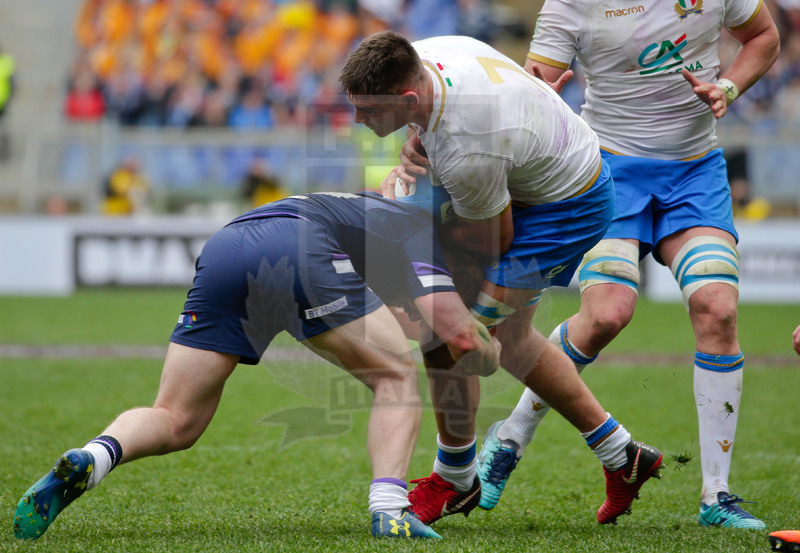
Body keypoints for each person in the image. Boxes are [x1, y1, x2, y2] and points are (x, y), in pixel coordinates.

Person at [13, 190, 501, 541]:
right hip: (299, 246)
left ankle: (93, 457)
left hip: (228, 245)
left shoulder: (372, 211)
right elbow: (457, 335)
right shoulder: (421, 230)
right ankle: (390, 509)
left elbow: (396, 314)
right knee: (395, 379)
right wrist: (493, 344)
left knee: (177, 418)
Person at [476, 0, 780, 530]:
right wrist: (538, 101)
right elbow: (534, 87)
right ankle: (510, 436)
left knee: (718, 310)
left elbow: (763, 37)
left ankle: (718, 496)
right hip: (607, 170)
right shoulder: (570, 5)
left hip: (695, 173)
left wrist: (728, 87)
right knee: (606, 316)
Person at [340, 30, 664, 527]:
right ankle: (623, 455)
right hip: (541, 173)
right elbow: (445, 127)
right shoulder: (426, 56)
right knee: (510, 339)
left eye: (368, 111)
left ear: (408, 97)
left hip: (563, 211)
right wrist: (416, 137)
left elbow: (494, 235)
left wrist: (419, 225)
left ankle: (455, 477)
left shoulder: (469, 146)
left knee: (451, 336)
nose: (357, 120)